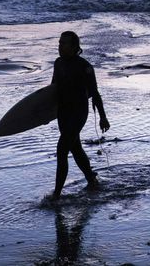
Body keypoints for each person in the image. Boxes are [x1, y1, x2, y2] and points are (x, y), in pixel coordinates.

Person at [50, 31, 110, 199]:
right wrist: (45, 114)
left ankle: (56, 195)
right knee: (75, 148)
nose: (60, 46)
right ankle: (91, 179)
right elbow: (53, 89)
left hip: (78, 112)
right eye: (59, 43)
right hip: (63, 113)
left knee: (62, 150)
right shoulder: (58, 63)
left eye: (64, 43)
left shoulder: (85, 66)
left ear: (74, 47)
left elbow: (95, 93)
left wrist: (103, 117)